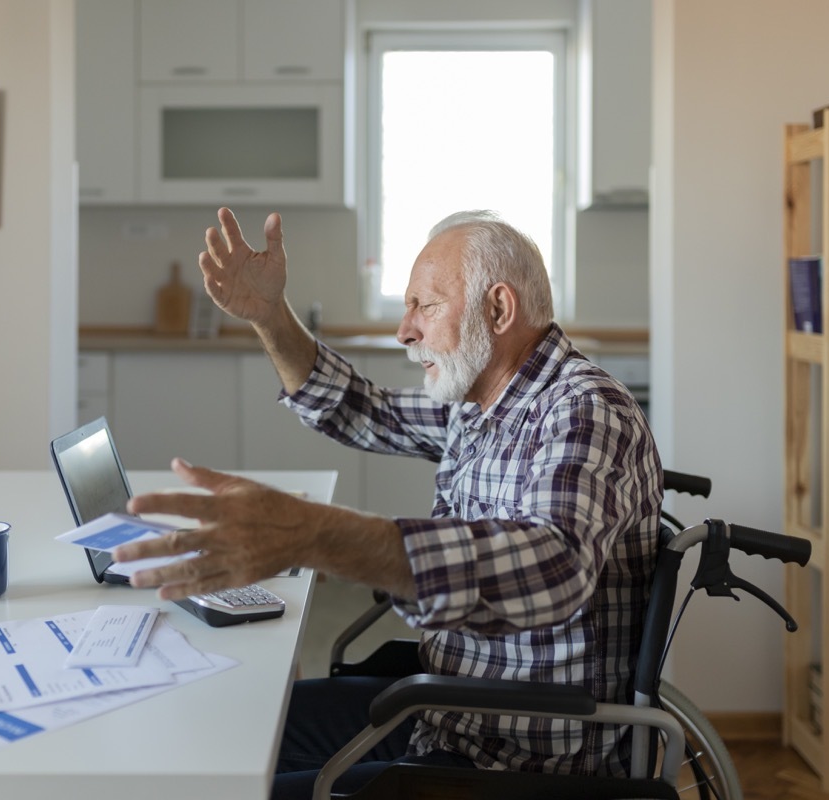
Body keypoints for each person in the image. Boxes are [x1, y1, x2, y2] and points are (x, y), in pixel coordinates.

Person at [114, 207, 663, 798]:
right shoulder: (483, 404)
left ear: (498, 309)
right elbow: (358, 408)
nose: (405, 330)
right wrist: (271, 316)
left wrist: (315, 534)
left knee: (232, 784)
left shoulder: (583, 408)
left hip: (513, 764)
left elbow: (554, 566)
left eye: (425, 306)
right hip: (448, 713)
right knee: (232, 729)